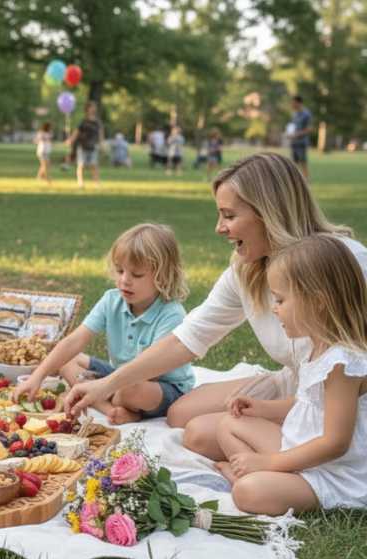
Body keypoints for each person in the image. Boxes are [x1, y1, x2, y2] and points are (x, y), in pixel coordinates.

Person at [63, 152, 367, 461]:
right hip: (294, 386)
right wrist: (107, 384)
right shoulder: (246, 268)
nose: (219, 228)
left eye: (229, 215)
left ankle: (287, 456)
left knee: (200, 434)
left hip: (340, 403)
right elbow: (187, 338)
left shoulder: (348, 262)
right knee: (179, 414)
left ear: (269, 214)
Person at [216, 235, 367, 515]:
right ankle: (262, 474)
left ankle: (253, 477)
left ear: (318, 302)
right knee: (228, 424)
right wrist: (262, 408)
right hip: (298, 450)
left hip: (332, 474)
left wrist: (271, 462)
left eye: (281, 300)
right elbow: (309, 402)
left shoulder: (342, 363)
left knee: (248, 492)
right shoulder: (317, 345)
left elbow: (336, 443)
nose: (275, 308)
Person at [15, 224, 195, 424]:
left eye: (136, 275)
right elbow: (75, 340)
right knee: (67, 361)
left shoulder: (171, 314)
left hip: (160, 387)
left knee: (130, 390)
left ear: (163, 276)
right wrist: (37, 376)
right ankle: (112, 409)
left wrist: (104, 385)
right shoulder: (112, 300)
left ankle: (105, 399)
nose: (124, 280)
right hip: (119, 376)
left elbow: (150, 371)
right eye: (120, 271)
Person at [68, 102, 101, 187]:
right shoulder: (84, 121)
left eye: (94, 107)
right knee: (81, 165)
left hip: (93, 146)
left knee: (94, 165)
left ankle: (96, 183)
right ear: (87, 109)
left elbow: (100, 133)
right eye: (91, 107)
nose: (93, 109)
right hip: (82, 145)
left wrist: (101, 143)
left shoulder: (97, 122)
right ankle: (80, 183)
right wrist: (71, 140)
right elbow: (77, 131)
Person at [289, 95, 312, 179]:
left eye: (294, 103)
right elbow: (293, 127)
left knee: (303, 162)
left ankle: (306, 181)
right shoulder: (294, 114)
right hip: (294, 142)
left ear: (299, 103)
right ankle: (296, 181)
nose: (292, 104)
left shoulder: (306, 114)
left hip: (302, 142)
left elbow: (309, 129)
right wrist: (290, 134)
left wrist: (297, 134)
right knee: (294, 163)